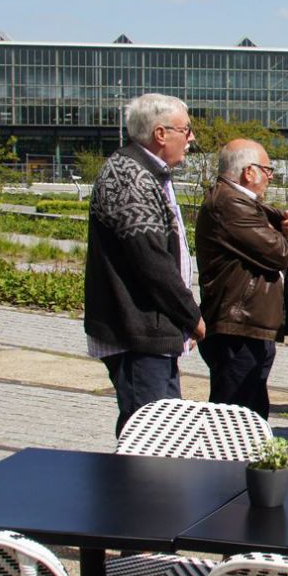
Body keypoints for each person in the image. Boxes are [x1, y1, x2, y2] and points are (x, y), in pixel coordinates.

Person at [85, 93, 205, 435]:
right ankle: (135, 489)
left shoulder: (148, 171)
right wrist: (192, 317)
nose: (192, 138)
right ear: (161, 133)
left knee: (163, 435)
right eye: (187, 129)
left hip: (153, 331)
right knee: (150, 436)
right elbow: (151, 261)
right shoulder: (130, 175)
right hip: (137, 334)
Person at [194, 139, 288, 419]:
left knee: (251, 414)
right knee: (233, 418)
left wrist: (286, 223)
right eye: (268, 170)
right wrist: (285, 235)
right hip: (237, 326)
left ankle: (243, 463)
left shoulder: (238, 200)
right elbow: (279, 253)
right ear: (249, 171)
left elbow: (269, 226)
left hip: (248, 323)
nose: (271, 176)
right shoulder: (229, 203)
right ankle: (223, 466)